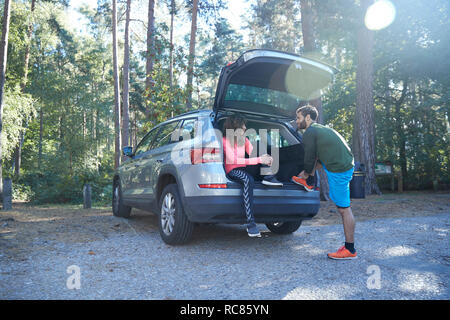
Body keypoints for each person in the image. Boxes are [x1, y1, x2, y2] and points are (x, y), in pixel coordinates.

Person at [291, 105, 357, 260]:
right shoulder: (319, 130)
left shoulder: (310, 132)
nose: (296, 121)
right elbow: (317, 158)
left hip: (339, 169)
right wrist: (306, 174)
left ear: (308, 118)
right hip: (343, 164)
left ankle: (350, 249)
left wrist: (306, 172)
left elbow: (309, 156)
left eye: (298, 117)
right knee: (342, 205)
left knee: (344, 209)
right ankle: (306, 182)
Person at [222, 115, 283, 237]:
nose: (245, 127)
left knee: (261, 152)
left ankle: (268, 177)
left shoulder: (244, 140)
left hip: (245, 167)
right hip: (233, 170)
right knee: (247, 179)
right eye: (242, 125)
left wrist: (266, 158)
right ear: (234, 128)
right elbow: (233, 160)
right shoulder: (224, 140)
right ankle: (250, 223)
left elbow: (254, 154)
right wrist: (259, 159)